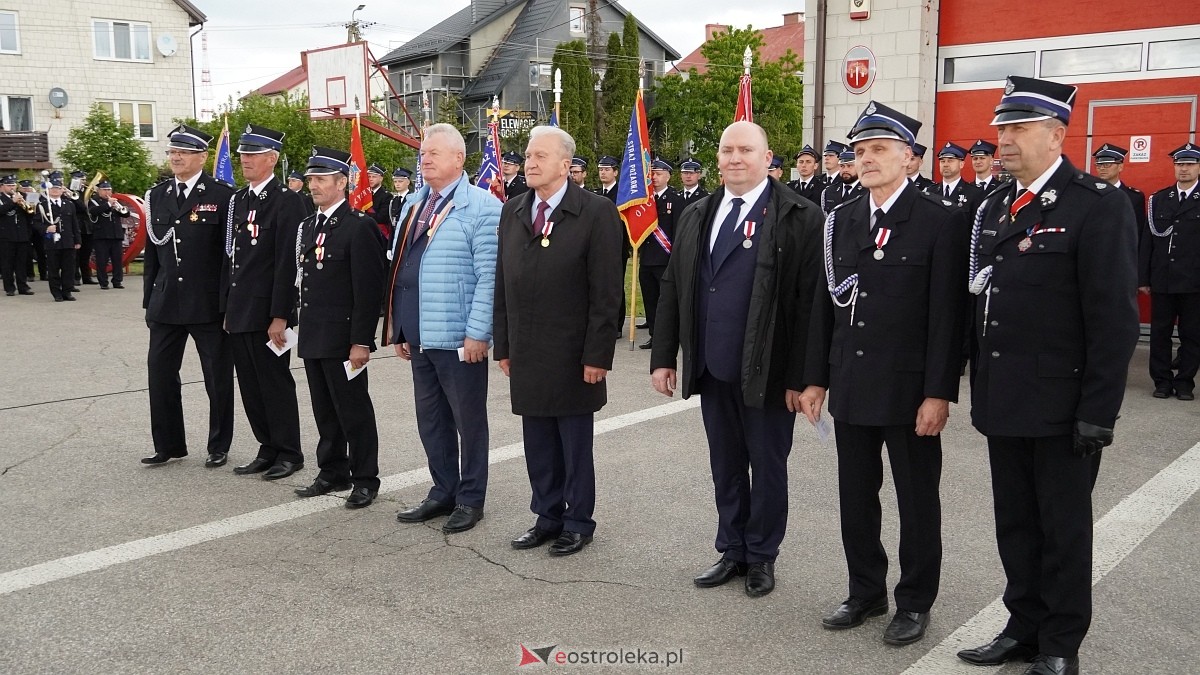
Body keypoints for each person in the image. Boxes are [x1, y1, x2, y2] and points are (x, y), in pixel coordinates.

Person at [958, 76, 1139, 675]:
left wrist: (1097, 412)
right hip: (1006, 400)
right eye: (1001, 127)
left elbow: (1112, 321)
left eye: (1016, 128)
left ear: (1057, 134)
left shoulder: (1096, 204)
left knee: (1062, 531)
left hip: (1063, 408)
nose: (1001, 139)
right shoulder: (999, 206)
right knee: (1015, 523)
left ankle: (1060, 643)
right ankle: (1023, 625)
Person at [802, 102, 968, 645]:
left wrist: (938, 392)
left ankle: (915, 601)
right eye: (859, 151)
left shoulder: (939, 220)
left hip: (909, 390)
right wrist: (815, 379)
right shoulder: (841, 220)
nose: (866, 159)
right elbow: (824, 309)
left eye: (878, 150)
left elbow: (948, 317)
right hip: (852, 383)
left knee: (917, 501)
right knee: (856, 495)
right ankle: (865, 591)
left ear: (909, 156)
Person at [650, 120, 823, 597]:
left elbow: (810, 304)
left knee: (767, 466)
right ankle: (732, 548)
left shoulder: (798, 215)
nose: (734, 158)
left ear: (768, 158)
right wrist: (664, 356)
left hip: (769, 370)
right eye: (727, 150)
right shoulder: (698, 213)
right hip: (711, 364)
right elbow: (674, 287)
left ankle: (762, 555)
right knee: (725, 463)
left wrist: (806, 377)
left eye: (746, 150)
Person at [494, 125, 623, 556]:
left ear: (566, 166)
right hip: (528, 349)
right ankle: (547, 516)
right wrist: (505, 345)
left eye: (540, 157)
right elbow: (502, 284)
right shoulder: (512, 210)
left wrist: (597, 354)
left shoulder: (596, 212)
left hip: (573, 353)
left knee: (573, 442)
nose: (529, 163)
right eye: (529, 155)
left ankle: (578, 521)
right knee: (538, 441)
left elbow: (606, 291)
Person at [385, 124, 499, 533]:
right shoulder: (415, 204)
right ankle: (442, 490)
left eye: (433, 152)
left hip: (457, 337)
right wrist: (399, 326)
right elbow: (402, 267)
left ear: (459, 159)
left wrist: (478, 333)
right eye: (422, 152)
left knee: (468, 421)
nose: (425, 158)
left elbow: (490, 277)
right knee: (431, 419)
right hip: (419, 332)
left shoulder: (483, 208)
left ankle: (471, 498)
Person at [292, 146, 387, 508]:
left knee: (353, 410)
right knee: (324, 409)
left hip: (344, 337)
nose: (312, 185)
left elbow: (367, 290)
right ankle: (332, 470)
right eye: (311, 178)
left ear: (342, 182)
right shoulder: (309, 226)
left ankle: (365, 478)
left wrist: (361, 341)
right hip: (314, 334)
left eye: (320, 179)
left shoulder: (357, 227)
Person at [140, 125, 237, 466]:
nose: (175, 157)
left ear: (202, 157)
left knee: (218, 377)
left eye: (183, 152)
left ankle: (218, 445)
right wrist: (149, 302)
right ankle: (168, 445)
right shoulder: (157, 195)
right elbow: (153, 254)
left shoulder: (222, 195)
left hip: (207, 302)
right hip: (166, 302)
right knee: (160, 373)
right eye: (172, 152)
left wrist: (227, 303)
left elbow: (229, 256)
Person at [223, 124, 308, 481]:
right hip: (240, 307)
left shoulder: (287, 201)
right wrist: (226, 307)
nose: (245, 159)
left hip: (268, 311)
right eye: (243, 153)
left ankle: (289, 451)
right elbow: (232, 258)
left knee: (274, 382)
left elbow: (287, 262)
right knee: (250, 383)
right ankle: (267, 446)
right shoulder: (238, 200)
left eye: (252, 154)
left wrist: (280, 316)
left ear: (271, 159)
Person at [1140, 143, 1200, 401]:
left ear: (1198, 167)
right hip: (1163, 279)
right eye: (1179, 164)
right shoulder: (1160, 199)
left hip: (1194, 280)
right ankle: (1162, 381)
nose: (1183, 169)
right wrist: (1143, 277)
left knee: (1192, 334)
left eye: (1188, 164)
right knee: (1160, 333)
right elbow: (1147, 242)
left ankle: (1185, 382)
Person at [639, 159, 683, 350]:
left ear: (668, 176)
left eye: (658, 174)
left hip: (665, 259)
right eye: (652, 174)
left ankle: (671, 335)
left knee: (666, 301)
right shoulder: (644, 201)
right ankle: (654, 335)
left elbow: (678, 231)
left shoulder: (676, 200)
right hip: (647, 258)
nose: (654, 177)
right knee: (650, 299)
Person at [594, 155, 633, 334]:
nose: (603, 172)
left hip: (617, 247)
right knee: (598, 285)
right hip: (596, 247)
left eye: (607, 169)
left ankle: (616, 325)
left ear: (616, 172)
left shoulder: (623, 194)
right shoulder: (594, 194)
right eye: (601, 169)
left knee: (615, 285)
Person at [37, 178, 83, 302]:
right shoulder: (43, 205)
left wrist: (77, 240)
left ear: (62, 190)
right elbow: (36, 223)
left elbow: (74, 224)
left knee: (69, 269)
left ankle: (67, 291)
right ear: (48, 190)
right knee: (53, 269)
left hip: (68, 241)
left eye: (58, 188)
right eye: (53, 188)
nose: (55, 190)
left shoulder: (68, 204)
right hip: (52, 242)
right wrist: (47, 228)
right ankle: (56, 293)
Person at [1093, 144, 1147, 245]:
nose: (1102, 168)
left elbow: (1137, 232)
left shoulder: (1134, 197)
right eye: (1099, 165)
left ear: (1120, 167)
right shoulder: (1090, 194)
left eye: (1107, 164)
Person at [87, 180, 130, 290]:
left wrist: (120, 208)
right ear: (99, 191)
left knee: (117, 260)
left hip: (116, 235)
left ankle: (117, 281)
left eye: (109, 190)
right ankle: (103, 282)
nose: (107, 192)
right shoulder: (94, 201)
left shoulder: (115, 201)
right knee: (102, 260)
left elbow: (125, 214)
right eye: (104, 190)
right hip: (102, 235)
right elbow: (94, 211)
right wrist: (108, 204)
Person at [0, 175, 36, 296]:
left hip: (22, 235)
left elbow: (31, 214)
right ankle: (9, 288)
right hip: (6, 235)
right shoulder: (1, 198)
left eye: (13, 185)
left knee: (22, 262)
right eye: (9, 185)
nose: (12, 187)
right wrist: (12, 202)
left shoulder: (22, 197)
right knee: (7, 263)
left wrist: (29, 204)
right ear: (2, 186)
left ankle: (23, 286)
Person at [938, 142, 984, 216]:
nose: (945, 165)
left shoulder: (974, 193)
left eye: (950, 161)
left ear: (961, 164)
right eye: (942, 161)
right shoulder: (931, 191)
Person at [21, 180, 47, 282]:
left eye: (28, 187)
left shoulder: (37, 196)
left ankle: (43, 273)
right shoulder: (20, 197)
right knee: (28, 253)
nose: (27, 189)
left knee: (41, 251)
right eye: (24, 188)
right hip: (26, 227)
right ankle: (30, 274)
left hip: (37, 227)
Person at [821, 150, 862, 214]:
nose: (845, 170)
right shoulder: (828, 191)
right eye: (842, 166)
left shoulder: (868, 191)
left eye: (849, 166)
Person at [366, 163, 392, 240]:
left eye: (374, 177)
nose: (370, 179)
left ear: (381, 178)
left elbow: (382, 218)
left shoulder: (386, 196)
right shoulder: (364, 194)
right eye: (369, 176)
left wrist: (363, 214)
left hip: (378, 235)